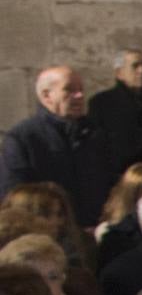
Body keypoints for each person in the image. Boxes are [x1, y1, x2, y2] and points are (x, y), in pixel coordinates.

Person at [0, 65, 119, 227]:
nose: (79, 96)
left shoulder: (95, 134)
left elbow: (113, 182)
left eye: (81, 89)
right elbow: (14, 196)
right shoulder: (23, 138)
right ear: (46, 95)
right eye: (69, 90)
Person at [85, 48, 142, 168]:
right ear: (120, 73)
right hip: (120, 172)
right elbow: (96, 146)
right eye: (135, 66)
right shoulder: (101, 103)